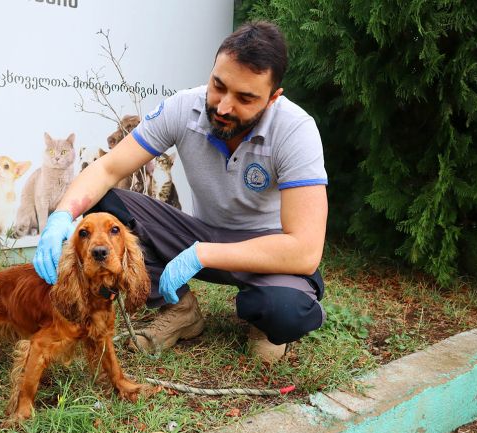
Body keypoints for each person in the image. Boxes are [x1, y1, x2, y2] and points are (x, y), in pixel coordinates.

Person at [32, 21, 328, 364]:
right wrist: (61, 217)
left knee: (284, 311)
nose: (224, 107)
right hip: (198, 232)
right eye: (219, 85)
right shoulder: (184, 108)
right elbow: (107, 169)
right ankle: (180, 310)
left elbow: (305, 250)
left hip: (265, 250)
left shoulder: (296, 131)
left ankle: (265, 321)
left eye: (246, 98)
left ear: (273, 97)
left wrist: (201, 255)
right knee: (102, 202)